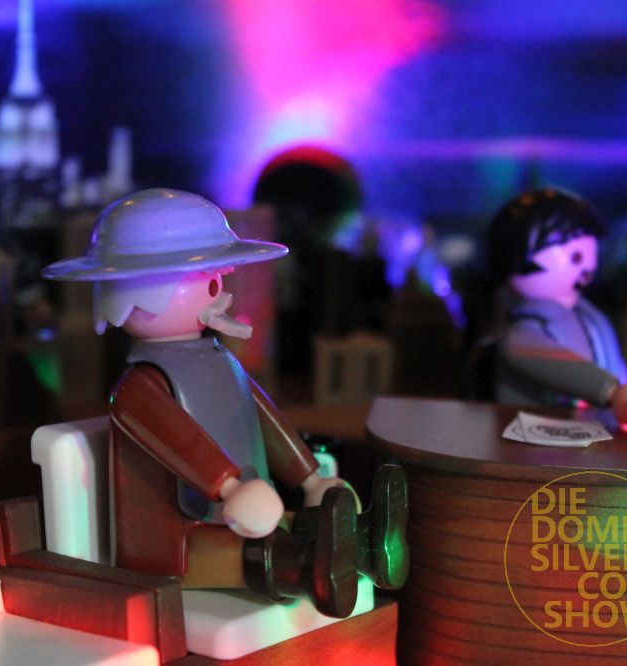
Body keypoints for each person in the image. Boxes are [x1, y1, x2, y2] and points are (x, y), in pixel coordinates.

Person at [42, 188, 407, 618]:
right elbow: (181, 441)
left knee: (295, 525)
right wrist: (229, 487)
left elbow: (264, 421)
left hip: (241, 509)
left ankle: (367, 545)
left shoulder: (219, 360)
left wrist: (309, 479)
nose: (222, 291)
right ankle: (313, 571)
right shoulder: (139, 388)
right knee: (269, 552)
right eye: (212, 280)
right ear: (145, 291)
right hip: (172, 541)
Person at [486, 188, 627, 419]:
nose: (587, 266)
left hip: (601, 428)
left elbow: (616, 366)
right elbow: (534, 353)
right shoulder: (523, 330)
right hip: (535, 431)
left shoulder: (592, 318)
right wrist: (612, 392)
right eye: (575, 256)